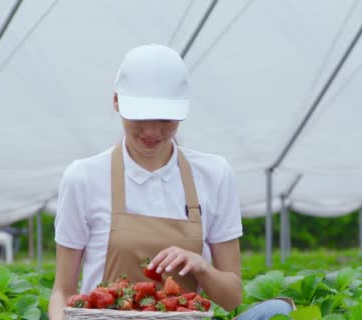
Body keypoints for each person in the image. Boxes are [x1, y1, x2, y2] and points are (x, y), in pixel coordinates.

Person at [48, 44, 292, 320]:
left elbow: (232, 297)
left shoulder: (214, 174)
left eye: (166, 119)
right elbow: (62, 291)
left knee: (276, 312)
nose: (153, 131)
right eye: (140, 116)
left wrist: (202, 267)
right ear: (116, 102)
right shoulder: (83, 178)